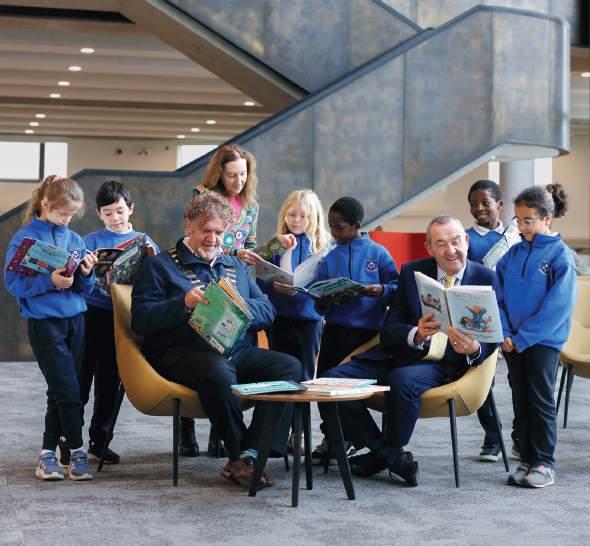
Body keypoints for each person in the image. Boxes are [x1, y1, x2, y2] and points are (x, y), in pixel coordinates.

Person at [131, 192, 301, 490]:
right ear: (188, 226)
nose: (212, 239)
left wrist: (237, 308)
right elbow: (142, 320)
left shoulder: (235, 265)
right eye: (205, 230)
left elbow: (267, 310)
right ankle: (238, 453)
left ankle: (251, 453)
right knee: (218, 371)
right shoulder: (159, 266)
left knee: (289, 368)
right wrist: (183, 303)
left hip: (236, 351)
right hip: (182, 353)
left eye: (219, 232)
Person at [321, 216, 498, 486]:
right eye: (441, 244)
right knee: (330, 381)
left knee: (402, 380)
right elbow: (390, 328)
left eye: (456, 241)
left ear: (466, 241)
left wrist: (474, 348)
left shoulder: (487, 278)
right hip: (400, 353)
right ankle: (390, 455)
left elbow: (496, 332)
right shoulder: (412, 272)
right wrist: (416, 333)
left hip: (444, 364)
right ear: (429, 247)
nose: (450, 250)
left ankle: (381, 456)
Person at [4, 175, 98, 481]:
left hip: (76, 321)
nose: (66, 219)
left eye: (72, 215)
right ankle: (77, 450)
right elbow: (13, 284)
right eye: (62, 213)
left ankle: (47, 454)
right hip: (45, 323)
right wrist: (50, 281)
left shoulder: (75, 240)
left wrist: (87, 273)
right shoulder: (25, 239)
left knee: (62, 389)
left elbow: (83, 290)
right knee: (68, 389)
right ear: (45, 204)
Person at [498, 183, 576, 489]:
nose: (522, 227)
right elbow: (497, 297)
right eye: (518, 220)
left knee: (541, 400)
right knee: (521, 401)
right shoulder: (511, 255)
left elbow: (558, 306)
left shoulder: (560, 255)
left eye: (528, 220)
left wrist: (523, 337)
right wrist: (506, 333)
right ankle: (527, 459)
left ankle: (544, 463)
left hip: (542, 342)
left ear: (547, 218)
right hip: (512, 341)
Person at [311, 196, 399, 464]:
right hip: (335, 331)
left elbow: (398, 288)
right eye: (330, 226)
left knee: (352, 390)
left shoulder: (378, 253)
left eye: (339, 227)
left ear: (356, 225)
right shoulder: (329, 256)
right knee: (323, 386)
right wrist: (323, 301)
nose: (334, 232)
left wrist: (381, 290)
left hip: (368, 336)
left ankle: (350, 438)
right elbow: (318, 296)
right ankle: (332, 437)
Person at [78, 181, 159, 467]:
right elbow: (77, 277)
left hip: (123, 316)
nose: (115, 218)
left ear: (131, 209)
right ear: (99, 214)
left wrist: (151, 261)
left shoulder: (144, 242)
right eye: (108, 213)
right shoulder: (89, 241)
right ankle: (71, 442)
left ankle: (100, 443)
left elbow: (156, 280)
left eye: (120, 211)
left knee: (111, 382)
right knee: (80, 377)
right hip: (91, 313)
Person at [465, 179, 518, 462]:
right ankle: (493, 437)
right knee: (485, 381)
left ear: (499, 204)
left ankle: (521, 437)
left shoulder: (517, 236)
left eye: (485, 203)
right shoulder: (464, 238)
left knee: (519, 379)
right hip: (481, 316)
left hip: (514, 317)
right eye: (473, 204)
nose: (479, 208)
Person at [257, 189, 331, 381]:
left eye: (303, 216)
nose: (296, 220)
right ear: (284, 215)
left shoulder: (323, 248)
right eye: (291, 215)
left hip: (309, 321)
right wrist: (272, 287)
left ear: (313, 218)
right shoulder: (276, 244)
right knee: (279, 376)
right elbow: (260, 280)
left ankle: (303, 403)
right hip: (279, 319)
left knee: (305, 377)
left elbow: (327, 287)